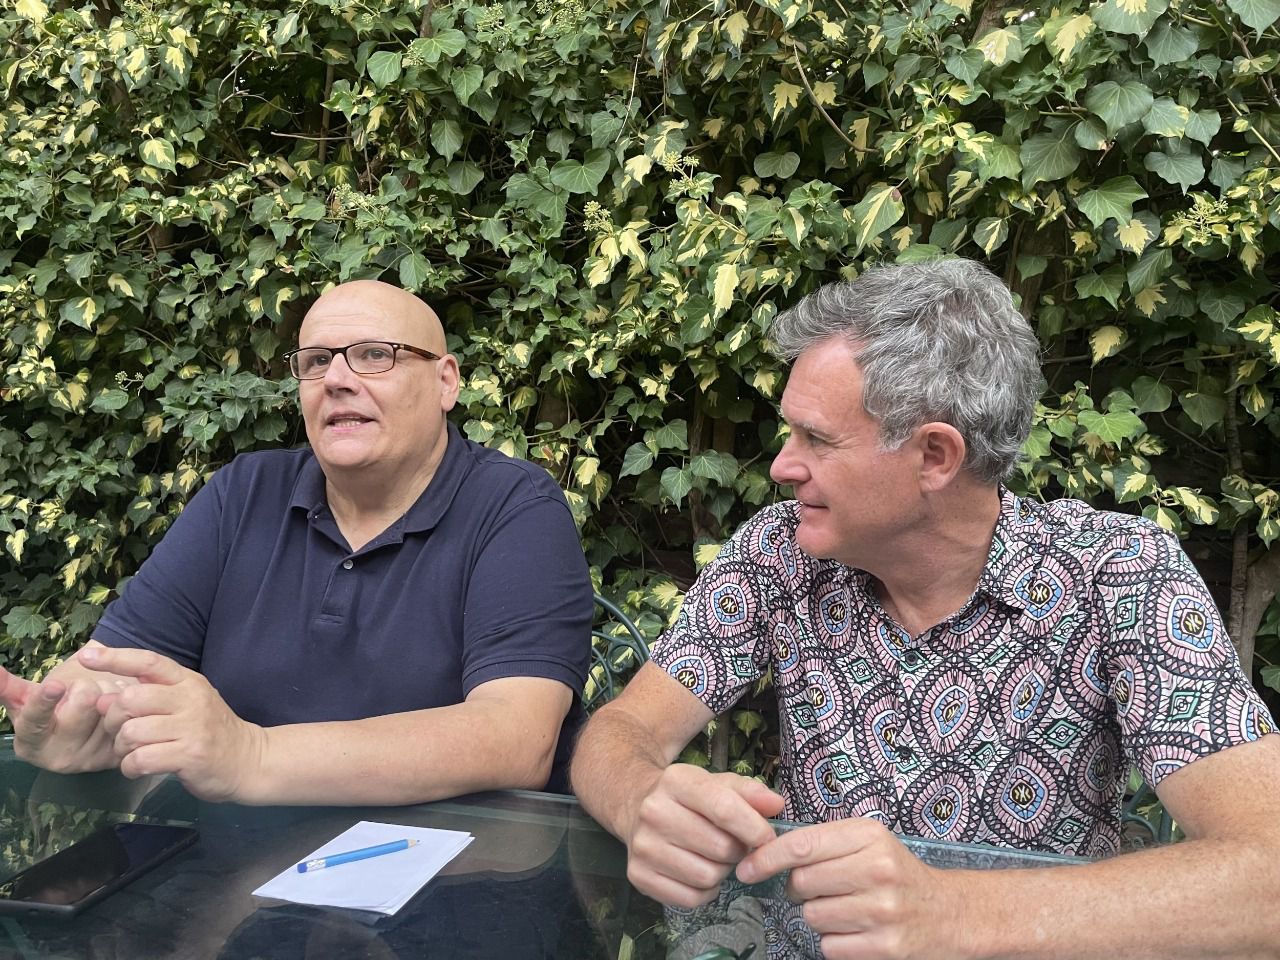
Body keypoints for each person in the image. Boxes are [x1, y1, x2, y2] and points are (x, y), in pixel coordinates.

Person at [570, 259, 1280, 959]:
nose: (783, 466)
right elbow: (623, 729)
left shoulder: (1117, 574)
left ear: (935, 456)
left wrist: (956, 913)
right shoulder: (780, 553)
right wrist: (643, 800)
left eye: (817, 438)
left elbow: (1268, 877)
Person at [0, 280, 593, 805]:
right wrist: (75, 713)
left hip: (456, 887)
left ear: (445, 381)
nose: (336, 380)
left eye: (374, 356)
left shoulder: (515, 508)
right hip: (230, 876)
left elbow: (517, 739)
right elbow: (115, 669)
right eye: (314, 362)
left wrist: (251, 756)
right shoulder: (244, 492)